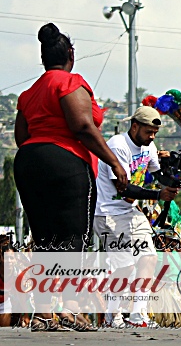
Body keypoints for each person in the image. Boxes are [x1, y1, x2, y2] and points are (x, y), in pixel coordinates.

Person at [13, 23, 128, 332]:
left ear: (43, 58)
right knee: (73, 238)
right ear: (71, 55)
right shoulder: (70, 82)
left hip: (29, 161)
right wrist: (115, 164)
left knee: (45, 239)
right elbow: (82, 126)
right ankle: (71, 310)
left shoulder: (28, 93)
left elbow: (21, 135)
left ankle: (45, 312)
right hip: (66, 162)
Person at [94, 105, 180, 328]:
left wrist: (174, 176)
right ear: (134, 127)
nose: (152, 137)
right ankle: (113, 314)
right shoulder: (117, 146)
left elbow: (157, 174)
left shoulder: (148, 147)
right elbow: (125, 189)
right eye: (148, 132)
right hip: (108, 214)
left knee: (148, 258)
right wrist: (158, 194)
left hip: (130, 213)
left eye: (154, 134)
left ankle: (138, 314)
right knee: (125, 266)